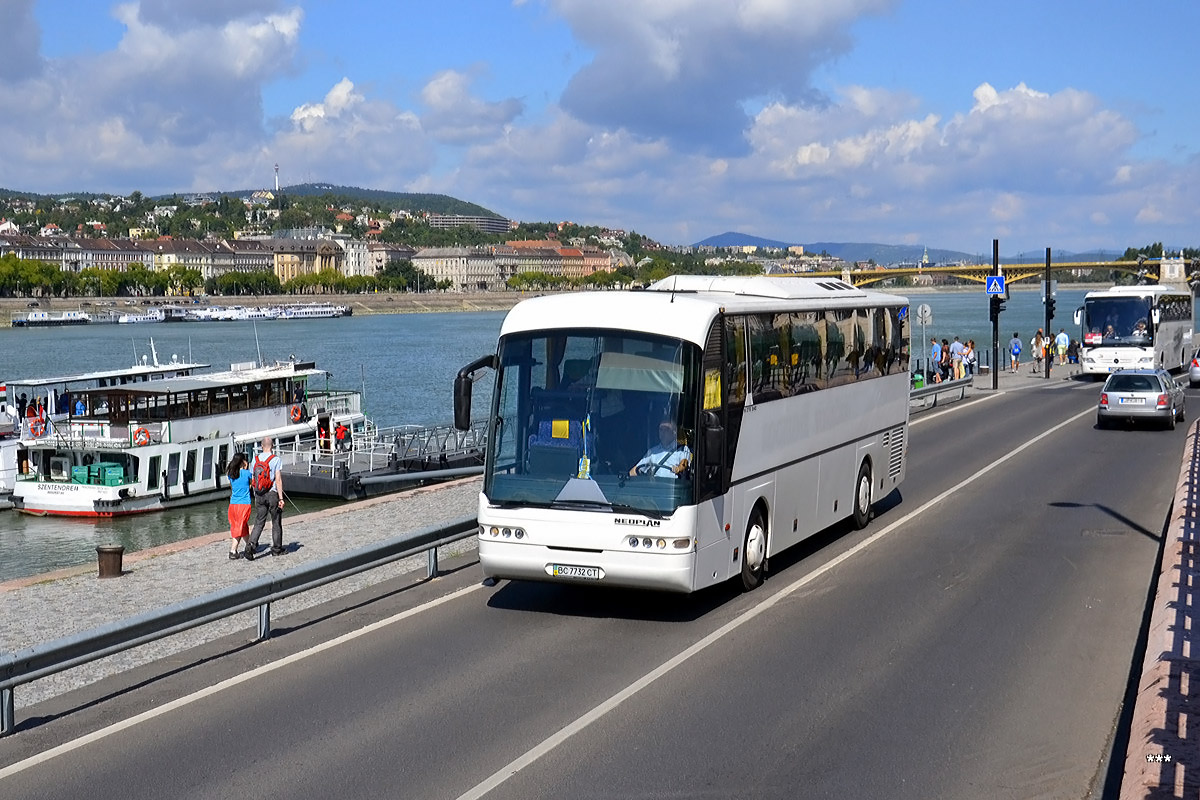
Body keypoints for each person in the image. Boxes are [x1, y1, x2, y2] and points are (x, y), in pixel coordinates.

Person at [246, 435, 286, 558]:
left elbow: (253, 479)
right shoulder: (275, 459)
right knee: (276, 522)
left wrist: (255, 494)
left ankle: (250, 545)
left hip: (259, 494)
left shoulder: (255, 459)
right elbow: (278, 480)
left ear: (261, 446)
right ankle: (276, 549)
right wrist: (281, 498)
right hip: (272, 493)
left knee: (259, 521)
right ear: (272, 446)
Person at [226, 453, 252, 560]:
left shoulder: (231, 475)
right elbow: (250, 485)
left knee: (242, 525)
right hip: (244, 503)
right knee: (239, 527)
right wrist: (246, 468)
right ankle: (233, 550)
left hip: (233, 504)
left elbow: (232, 488)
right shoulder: (247, 473)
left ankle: (249, 544)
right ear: (243, 462)